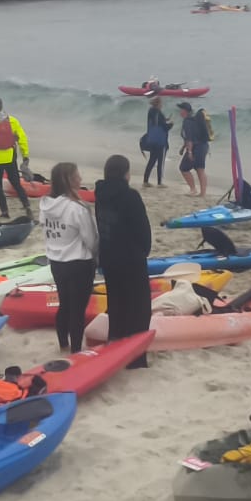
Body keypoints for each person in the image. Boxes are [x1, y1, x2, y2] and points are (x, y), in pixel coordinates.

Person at [95, 155, 153, 369]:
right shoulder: (130, 197)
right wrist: (143, 251)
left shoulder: (100, 193)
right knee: (139, 309)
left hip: (109, 258)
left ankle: (115, 345)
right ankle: (135, 358)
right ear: (125, 173)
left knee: (117, 305)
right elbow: (142, 230)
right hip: (131, 259)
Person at [38, 163, 99, 354]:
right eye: (78, 176)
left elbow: (45, 228)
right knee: (77, 310)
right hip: (79, 263)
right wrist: (96, 257)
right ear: (70, 180)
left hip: (56, 263)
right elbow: (90, 239)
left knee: (64, 304)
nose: (81, 179)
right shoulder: (78, 208)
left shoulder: (45, 205)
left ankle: (63, 343)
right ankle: (75, 350)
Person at [0, 98, 31, 217]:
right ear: (1, 107)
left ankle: (5, 212)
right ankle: (26, 204)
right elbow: (22, 139)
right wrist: (25, 155)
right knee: (16, 183)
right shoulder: (12, 120)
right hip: (10, 158)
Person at [177, 102, 211, 198]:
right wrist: (183, 148)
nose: (179, 112)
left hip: (196, 147)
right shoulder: (194, 120)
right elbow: (189, 137)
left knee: (183, 168)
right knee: (200, 169)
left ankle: (193, 189)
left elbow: (189, 139)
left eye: (181, 110)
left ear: (185, 111)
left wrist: (190, 152)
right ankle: (202, 193)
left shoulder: (187, 122)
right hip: (204, 146)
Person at [139, 96, 172, 188]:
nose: (162, 105)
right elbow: (164, 127)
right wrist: (171, 124)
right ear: (158, 104)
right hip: (160, 141)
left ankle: (145, 181)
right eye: (161, 103)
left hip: (152, 139)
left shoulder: (151, 112)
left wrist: (165, 120)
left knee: (152, 160)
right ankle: (159, 182)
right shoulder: (158, 113)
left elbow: (156, 123)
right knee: (160, 161)